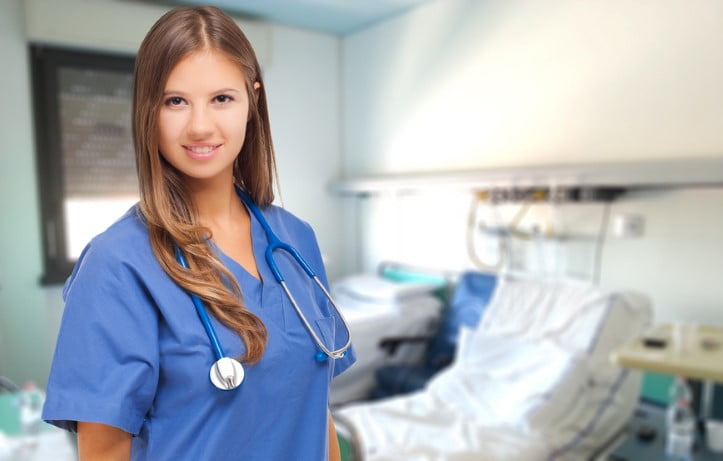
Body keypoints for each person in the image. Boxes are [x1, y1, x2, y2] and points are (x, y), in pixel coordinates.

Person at [42, 6, 355, 460]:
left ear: (253, 102)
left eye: (222, 99)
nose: (201, 126)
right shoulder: (117, 265)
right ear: (148, 110)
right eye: (175, 101)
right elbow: (104, 452)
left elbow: (316, 409)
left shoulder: (296, 241)